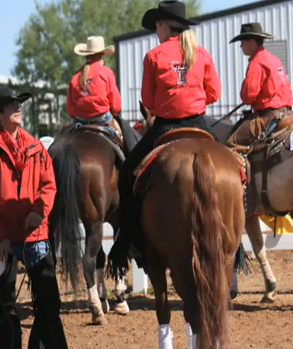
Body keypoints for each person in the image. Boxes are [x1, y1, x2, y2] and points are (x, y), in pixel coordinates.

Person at [111, 0, 222, 266]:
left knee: (127, 174)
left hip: (165, 125)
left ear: (163, 25)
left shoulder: (153, 56)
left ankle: (132, 239)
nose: (155, 31)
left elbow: (148, 100)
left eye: (156, 26)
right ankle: (235, 242)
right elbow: (214, 93)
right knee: (236, 167)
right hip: (198, 124)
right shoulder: (202, 53)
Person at [0, 87, 68, 349]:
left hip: (35, 235)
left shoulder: (36, 147)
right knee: (5, 303)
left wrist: (39, 210)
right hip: (4, 241)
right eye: (11, 105)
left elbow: (48, 185)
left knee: (49, 301)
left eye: (19, 103)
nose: (18, 108)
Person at [226, 22, 293, 151]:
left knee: (232, 143)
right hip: (286, 112)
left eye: (242, 41)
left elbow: (248, 96)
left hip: (268, 116)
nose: (241, 45)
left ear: (252, 41)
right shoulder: (273, 59)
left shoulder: (256, 62)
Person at [67, 36, 122, 139]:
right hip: (102, 118)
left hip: (79, 121)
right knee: (123, 136)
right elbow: (116, 105)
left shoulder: (75, 76)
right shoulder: (106, 72)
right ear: (102, 55)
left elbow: (70, 108)